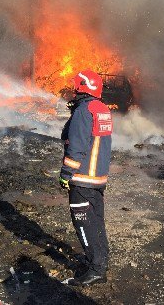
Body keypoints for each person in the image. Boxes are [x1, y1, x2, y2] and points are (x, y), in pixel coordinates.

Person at [59, 69, 113, 286]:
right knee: (96, 221)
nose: (73, 90)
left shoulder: (83, 111)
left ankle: (95, 269)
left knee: (83, 222)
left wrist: (66, 174)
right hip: (98, 178)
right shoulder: (102, 109)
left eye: (76, 87)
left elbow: (76, 144)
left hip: (82, 178)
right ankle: (101, 260)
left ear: (81, 87)